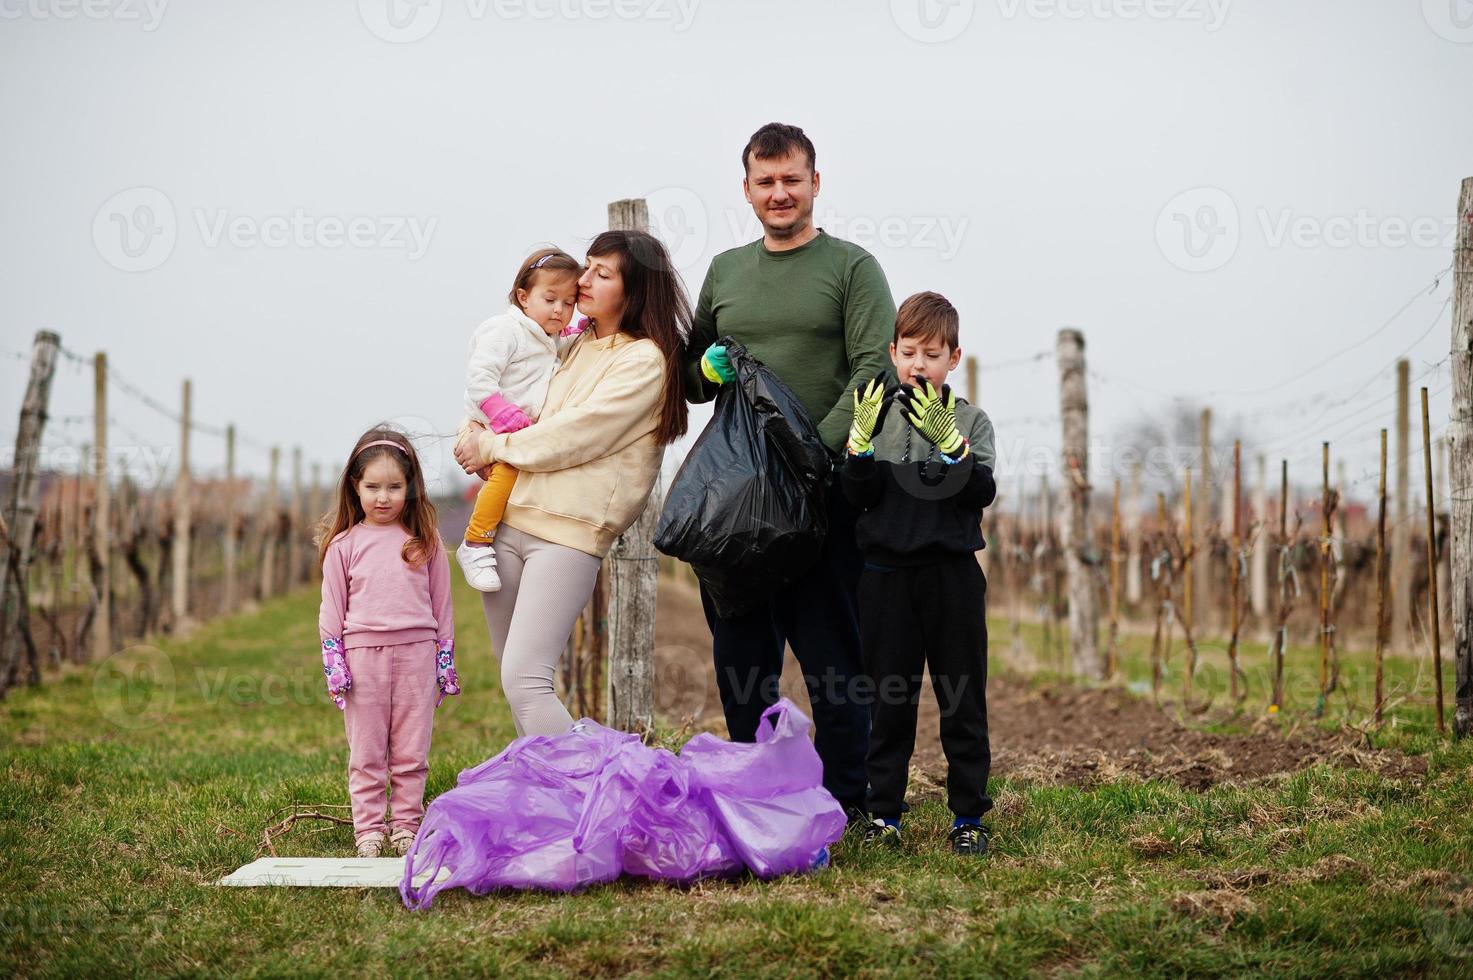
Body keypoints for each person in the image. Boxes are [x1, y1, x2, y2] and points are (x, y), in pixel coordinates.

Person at [683, 122, 894, 826]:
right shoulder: (725, 271)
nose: (779, 193)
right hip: (738, 502)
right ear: (746, 189)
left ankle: (848, 803)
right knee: (742, 658)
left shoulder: (850, 268)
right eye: (765, 182)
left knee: (833, 657)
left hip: (824, 494)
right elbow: (688, 373)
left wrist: (812, 454)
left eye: (791, 180)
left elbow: (876, 370)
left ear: (814, 183)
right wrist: (703, 368)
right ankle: (757, 797)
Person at [453, 230, 688, 737]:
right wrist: (472, 430)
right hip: (507, 521)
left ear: (635, 291)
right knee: (518, 680)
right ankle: (549, 804)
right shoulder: (571, 343)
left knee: (525, 681)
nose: (582, 280)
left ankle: (602, 792)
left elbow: (573, 436)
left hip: (567, 535)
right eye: (587, 266)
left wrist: (492, 448)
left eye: (601, 274)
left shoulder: (643, 360)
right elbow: (516, 395)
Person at [840, 292, 997, 856]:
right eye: (908, 352)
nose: (918, 365)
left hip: (952, 577)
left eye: (932, 354)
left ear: (953, 358)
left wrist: (952, 446)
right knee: (888, 701)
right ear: (892, 352)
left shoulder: (972, 422)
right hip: (884, 578)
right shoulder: (874, 416)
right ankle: (885, 813)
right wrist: (857, 450)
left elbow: (981, 492)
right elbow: (854, 498)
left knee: (962, 700)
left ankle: (968, 817)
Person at [317, 427, 460, 858]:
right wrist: (334, 662)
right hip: (362, 660)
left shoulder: (425, 542)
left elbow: (443, 604)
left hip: (417, 654)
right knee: (367, 750)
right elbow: (331, 612)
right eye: (373, 487)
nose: (383, 497)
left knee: (412, 749)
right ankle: (369, 830)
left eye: (394, 487)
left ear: (410, 488)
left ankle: (405, 825)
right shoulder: (344, 545)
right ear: (355, 487)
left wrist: (444, 658)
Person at [456, 247, 587, 592]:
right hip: (490, 424)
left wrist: (582, 330)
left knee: (510, 477)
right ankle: (476, 542)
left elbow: (555, 353)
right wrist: (501, 414)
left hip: (514, 430)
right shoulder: (504, 331)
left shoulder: (547, 337)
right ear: (524, 297)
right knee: (506, 474)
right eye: (550, 299)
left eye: (569, 302)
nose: (560, 310)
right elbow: (479, 378)